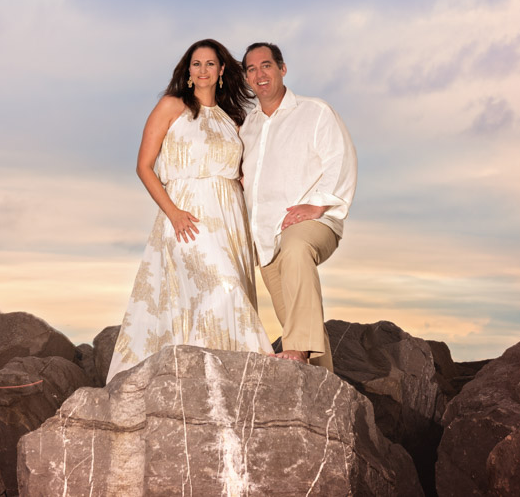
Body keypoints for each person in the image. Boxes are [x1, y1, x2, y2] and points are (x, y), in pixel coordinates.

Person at [106, 39, 274, 382]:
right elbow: (144, 166)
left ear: (222, 70)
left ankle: (221, 381)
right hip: (187, 215)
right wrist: (173, 212)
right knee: (221, 287)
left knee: (219, 291)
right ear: (187, 70)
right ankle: (225, 375)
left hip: (229, 217)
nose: (203, 70)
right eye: (196, 64)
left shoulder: (233, 119)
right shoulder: (172, 106)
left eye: (210, 64)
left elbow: (246, 173)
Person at [240, 42, 357, 371]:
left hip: (313, 224)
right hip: (266, 240)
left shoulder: (315, 112)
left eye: (266, 66)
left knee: (295, 251)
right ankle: (325, 397)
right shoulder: (247, 127)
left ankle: (298, 349)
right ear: (247, 78)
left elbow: (340, 159)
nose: (260, 74)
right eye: (251, 69)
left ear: (282, 69)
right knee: (299, 319)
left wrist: (317, 204)